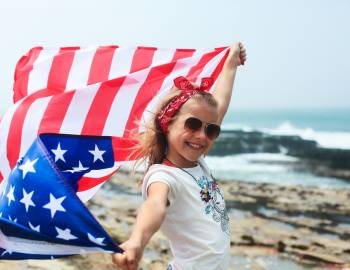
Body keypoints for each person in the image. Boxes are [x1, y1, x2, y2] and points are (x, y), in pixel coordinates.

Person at [112, 42, 247, 270]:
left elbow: (220, 106)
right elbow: (155, 205)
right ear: (168, 124)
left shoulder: (197, 161)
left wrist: (231, 64)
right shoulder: (163, 176)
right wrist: (137, 240)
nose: (201, 136)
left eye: (210, 129)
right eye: (192, 124)